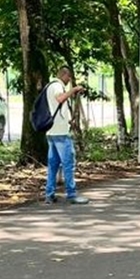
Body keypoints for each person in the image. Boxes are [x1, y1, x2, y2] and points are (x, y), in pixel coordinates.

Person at [44, 67, 89, 205]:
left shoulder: (50, 86)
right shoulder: (57, 86)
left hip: (52, 131)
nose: (69, 80)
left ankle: (49, 194)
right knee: (68, 163)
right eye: (69, 77)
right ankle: (71, 194)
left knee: (53, 165)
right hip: (60, 133)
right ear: (64, 75)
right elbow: (60, 98)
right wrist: (73, 90)